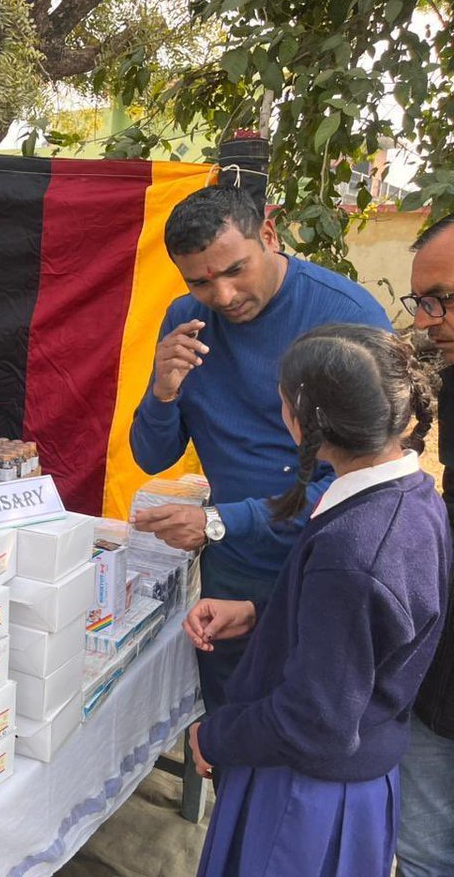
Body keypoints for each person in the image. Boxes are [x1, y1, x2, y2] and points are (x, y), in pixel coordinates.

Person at [183, 324, 449, 877]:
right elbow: (369, 637)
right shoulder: (412, 497)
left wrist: (216, 734)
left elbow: (314, 719)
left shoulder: (356, 550)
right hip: (345, 775)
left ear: (302, 423)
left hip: (305, 796)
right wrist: (263, 615)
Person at [129, 184, 391, 713]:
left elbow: (367, 486)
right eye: (200, 281)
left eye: (234, 270)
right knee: (230, 737)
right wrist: (162, 392)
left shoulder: (344, 316)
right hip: (234, 569)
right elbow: (152, 456)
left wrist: (222, 520)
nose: (222, 296)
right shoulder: (187, 319)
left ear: (268, 233)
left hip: (328, 566)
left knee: (313, 739)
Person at [395, 213, 454, 877]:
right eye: (421, 302)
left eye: (441, 299)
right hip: (438, 691)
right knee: (425, 855)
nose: (426, 320)